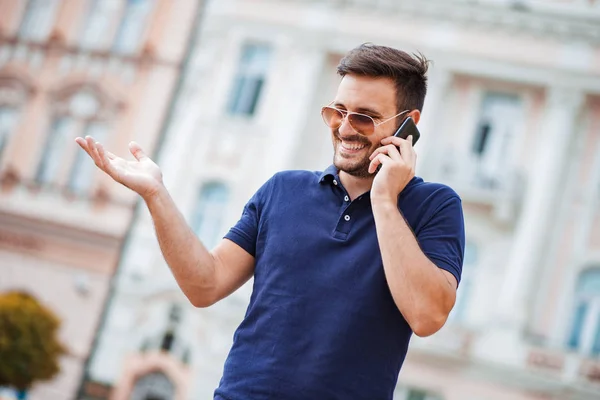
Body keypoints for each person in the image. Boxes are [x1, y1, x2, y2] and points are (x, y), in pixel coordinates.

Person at [75, 43, 465, 400]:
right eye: (337, 111)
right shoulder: (283, 190)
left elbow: (427, 316)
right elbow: (204, 284)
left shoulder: (435, 207)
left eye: (364, 117)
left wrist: (384, 198)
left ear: (407, 124)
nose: (345, 128)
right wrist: (156, 195)